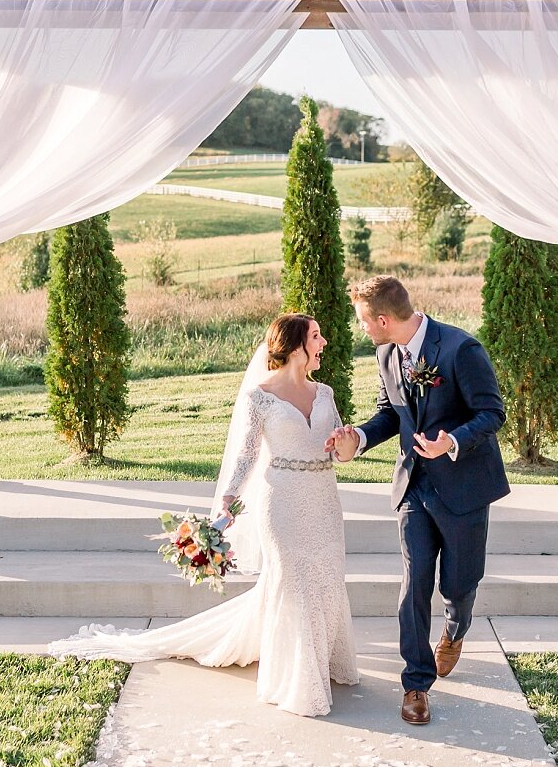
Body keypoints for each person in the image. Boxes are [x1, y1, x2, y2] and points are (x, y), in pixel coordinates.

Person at [49, 313, 360, 718]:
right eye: (316, 336)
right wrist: (227, 506)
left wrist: (348, 441)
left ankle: (322, 660)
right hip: (281, 500)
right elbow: (247, 456)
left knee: (325, 575)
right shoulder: (259, 397)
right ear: (294, 344)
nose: (324, 342)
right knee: (294, 580)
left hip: (323, 499)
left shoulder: (326, 394)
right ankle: (297, 678)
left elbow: (339, 448)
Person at [328, 276, 508, 726]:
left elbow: (492, 413)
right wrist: (361, 437)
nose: (363, 329)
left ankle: (456, 627)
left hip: (464, 487)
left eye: (364, 321)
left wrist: (453, 440)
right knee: (414, 581)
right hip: (413, 486)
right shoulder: (386, 354)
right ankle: (415, 684)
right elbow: (391, 413)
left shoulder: (461, 349)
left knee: (460, 584)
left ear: (384, 319)